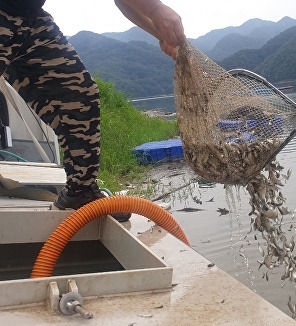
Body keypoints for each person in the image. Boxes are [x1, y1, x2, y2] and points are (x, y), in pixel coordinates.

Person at [0, 0, 186, 221]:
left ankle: (81, 191)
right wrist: (155, 9)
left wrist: (162, 32)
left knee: (79, 95)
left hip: (29, 17)